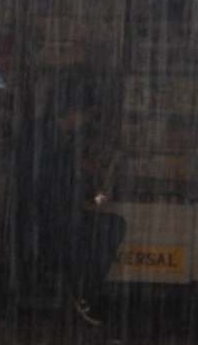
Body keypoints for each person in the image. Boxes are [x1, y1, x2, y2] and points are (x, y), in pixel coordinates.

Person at [23, 73, 127, 326]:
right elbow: (57, 185)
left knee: (105, 228)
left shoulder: (46, 135)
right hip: (50, 220)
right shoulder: (52, 141)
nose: (84, 120)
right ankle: (85, 293)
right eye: (84, 114)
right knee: (110, 228)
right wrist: (93, 195)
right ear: (72, 111)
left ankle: (83, 291)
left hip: (47, 216)